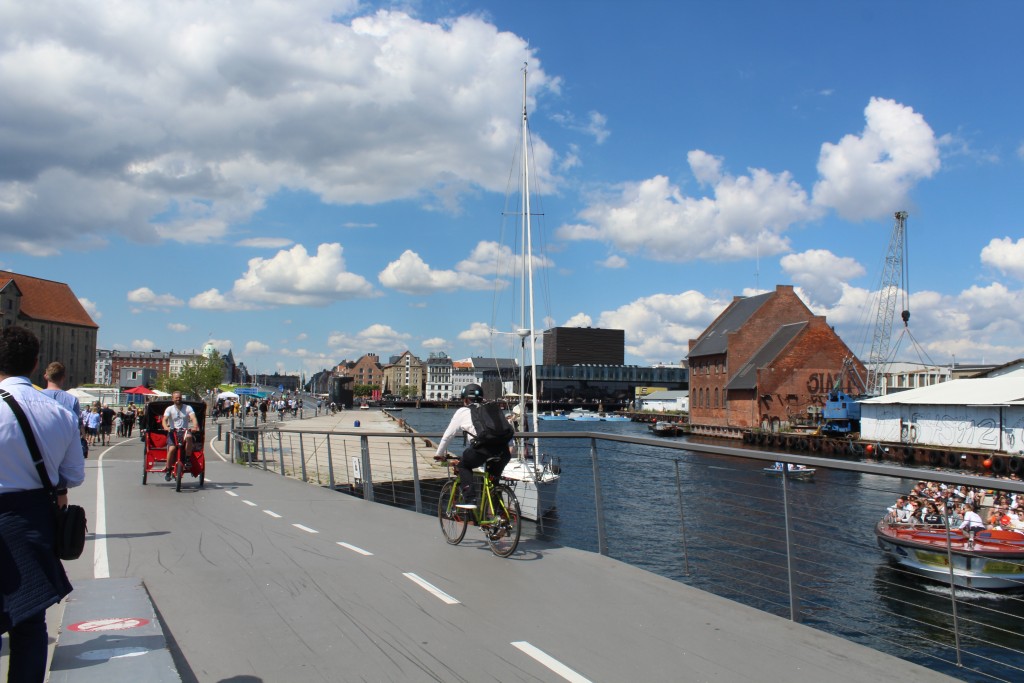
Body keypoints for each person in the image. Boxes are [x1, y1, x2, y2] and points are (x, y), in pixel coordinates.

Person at [0, 326, 85, 682]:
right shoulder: (60, 414)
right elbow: (73, 476)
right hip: (33, 520)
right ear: (36, 364)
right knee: (29, 620)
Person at [433, 384, 511, 509]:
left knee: (463, 465)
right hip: (503, 451)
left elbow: (448, 435)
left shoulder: (462, 411)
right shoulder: (491, 408)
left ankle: (470, 499)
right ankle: (501, 518)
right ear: (481, 398)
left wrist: (439, 454)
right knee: (493, 484)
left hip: (482, 450)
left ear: (465, 399)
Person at [162, 391, 199, 481]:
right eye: (176, 398)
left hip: (184, 431)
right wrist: (166, 427)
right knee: (172, 449)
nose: (178, 399)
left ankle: (187, 459)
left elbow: (193, 418)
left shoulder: (188, 408)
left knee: (189, 437)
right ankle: (168, 469)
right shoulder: (169, 409)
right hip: (173, 431)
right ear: (173, 399)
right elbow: (164, 420)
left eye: (179, 397)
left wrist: (195, 426)